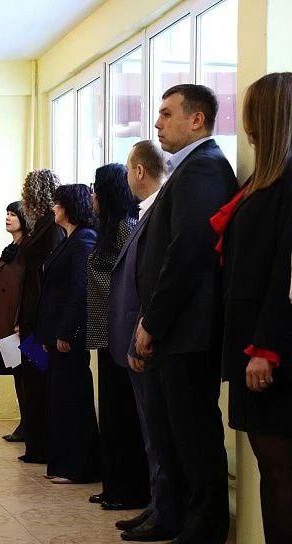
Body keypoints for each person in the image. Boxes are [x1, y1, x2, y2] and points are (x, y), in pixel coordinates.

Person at [133, 84, 237, 543]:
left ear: (196, 120)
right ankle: (173, 515)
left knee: (193, 434)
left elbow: (187, 253)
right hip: (176, 329)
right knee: (171, 431)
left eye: (166, 113)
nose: (157, 123)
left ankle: (204, 527)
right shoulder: (189, 168)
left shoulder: (204, 168)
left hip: (188, 330)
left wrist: (153, 321)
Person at [213, 72, 292, 544]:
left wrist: (266, 348)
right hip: (250, 340)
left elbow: (286, 273)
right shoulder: (263, 181)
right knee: (271, 466)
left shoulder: (286, 183)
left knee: (280, 469)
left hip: (269, 348)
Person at [108, 140, 175, 537]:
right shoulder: (145, 212)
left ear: (138, 171)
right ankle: (156, 504)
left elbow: (148, 284)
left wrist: (138, 338)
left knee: (158, 435)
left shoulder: (158, 212)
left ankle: (164, 509)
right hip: (135, 338)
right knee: (152, 435)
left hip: (145, 340)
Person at [85, 163, 149, 511]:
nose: (92, 196)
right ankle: (113, 485)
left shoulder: (127, 227)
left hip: (121, 331)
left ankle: (128, 488)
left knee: (123, 414)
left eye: (97, 189)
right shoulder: (107, 228)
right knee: (110, 413)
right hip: (105, 330)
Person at [34, 184, 100, 484]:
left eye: (58, 204)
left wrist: (65, 331)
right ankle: (63, 463)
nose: (54, 208)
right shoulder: (68, 239)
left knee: (73, 399)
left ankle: (79, 466)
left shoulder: (84, 239)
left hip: (68, 333)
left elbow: (80, 290)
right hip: (54, 331)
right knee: (60, 399)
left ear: (70, 206)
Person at [14, 170, 65, 459]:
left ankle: (41, 445)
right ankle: (35, 443)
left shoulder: (50, 227)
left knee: (38, 379)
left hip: (39, 317)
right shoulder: (41, 226)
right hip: (31, 314)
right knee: (32, 379)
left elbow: (50, 275)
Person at [0, 202, 30, 442]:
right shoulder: (13, 248)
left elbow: (26, 287)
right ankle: (25, 423)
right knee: (17, 373)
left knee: (27, 375)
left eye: (13, 214)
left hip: (19, 325)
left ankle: (30, 424)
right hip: (7, 326)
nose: (8, 218)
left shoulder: (28, 248)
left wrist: (20, 319)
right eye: (7, 214)